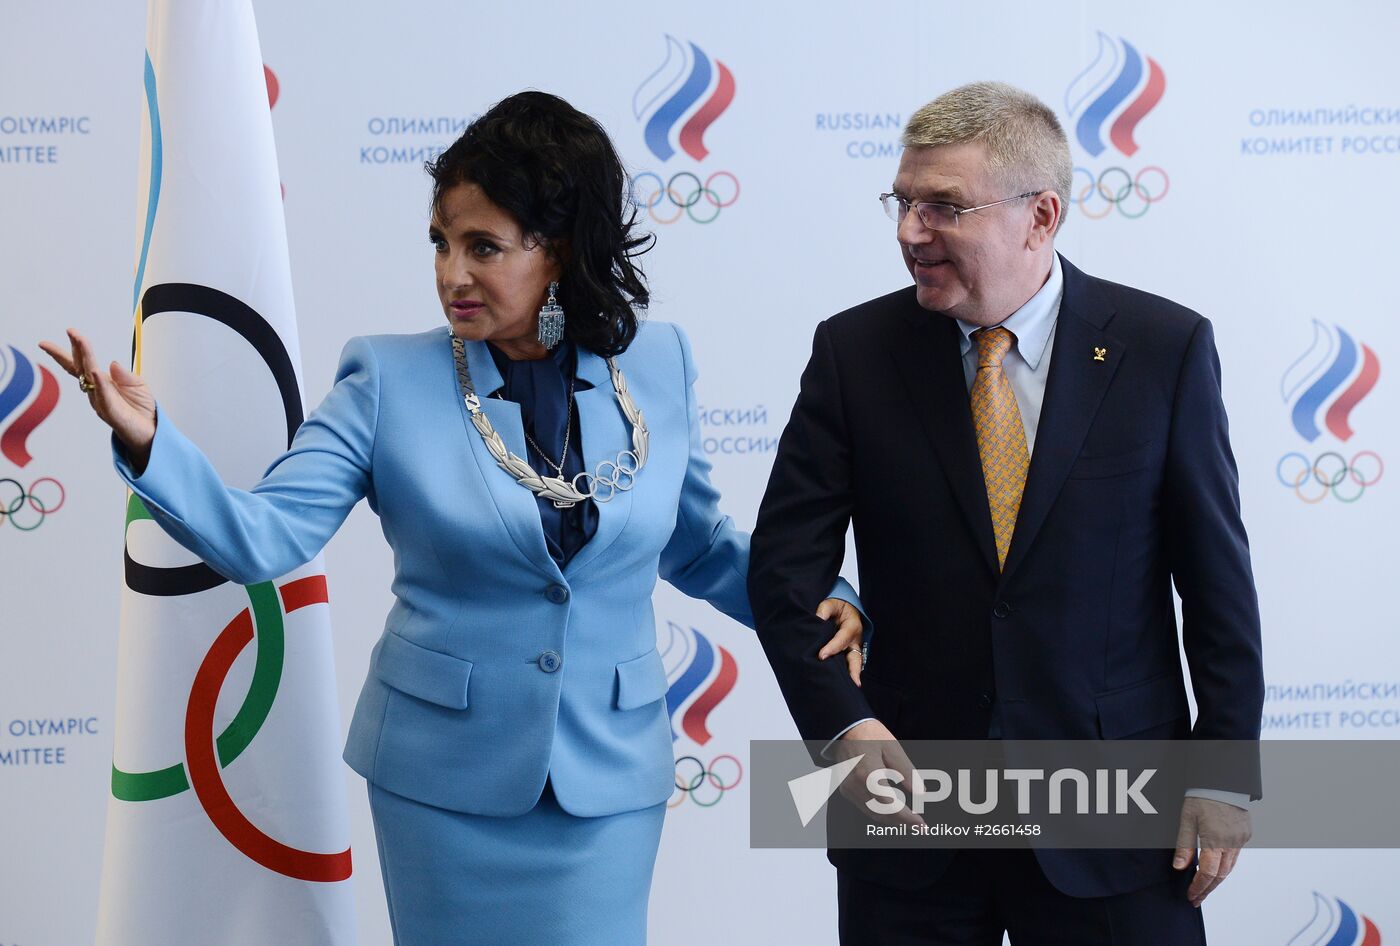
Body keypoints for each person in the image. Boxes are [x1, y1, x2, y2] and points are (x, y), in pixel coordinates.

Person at [43, 91, 868, 946]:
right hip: (441, 780)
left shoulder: (658, 363)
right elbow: (264, 539)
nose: (451, 274)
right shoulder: (385, 380)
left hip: (610, 775)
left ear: (561, 251)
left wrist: (822, 594)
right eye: (440, 242)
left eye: (484, 247)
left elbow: (698, 549)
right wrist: (150, 443)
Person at [748, 81, 1264, 945]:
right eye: (904, 202)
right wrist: (842, 721)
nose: (911, 231)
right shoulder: (853, 352)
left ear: (1042, 215)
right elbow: (783, 566)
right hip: (909, 819)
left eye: (945, 207)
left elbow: (1217, 588)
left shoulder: (1163, 349)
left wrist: (1224, 771)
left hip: (1116, 821)